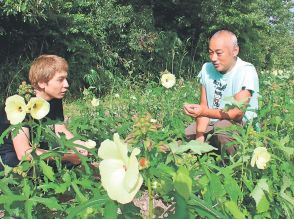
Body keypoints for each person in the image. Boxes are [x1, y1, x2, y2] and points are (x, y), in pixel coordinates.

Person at [0, 55, 90, 171]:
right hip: (11, 156)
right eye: (60, 79)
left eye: (66, 79)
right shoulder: (22, 104)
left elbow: (60, 130)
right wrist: (68, 156)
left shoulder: (55, 99)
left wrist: (80, 146)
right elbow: (23, 153)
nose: (66, 84)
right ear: (42, 83)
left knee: (71, 163)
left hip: (36, 147)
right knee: (41, 170)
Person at [183, 30, 259, 155]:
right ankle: (206, 152)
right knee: (185, 136)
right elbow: (204, 106)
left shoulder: (246, 71)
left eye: (219, 53)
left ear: (235, 51)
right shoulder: (206, 69)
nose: (213, 58)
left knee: (222, 129)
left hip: (241, 125)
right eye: (210, 53)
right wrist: (199, 136)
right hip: (213, 122)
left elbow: (237, 113)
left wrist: (203, 112)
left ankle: (232, 168)